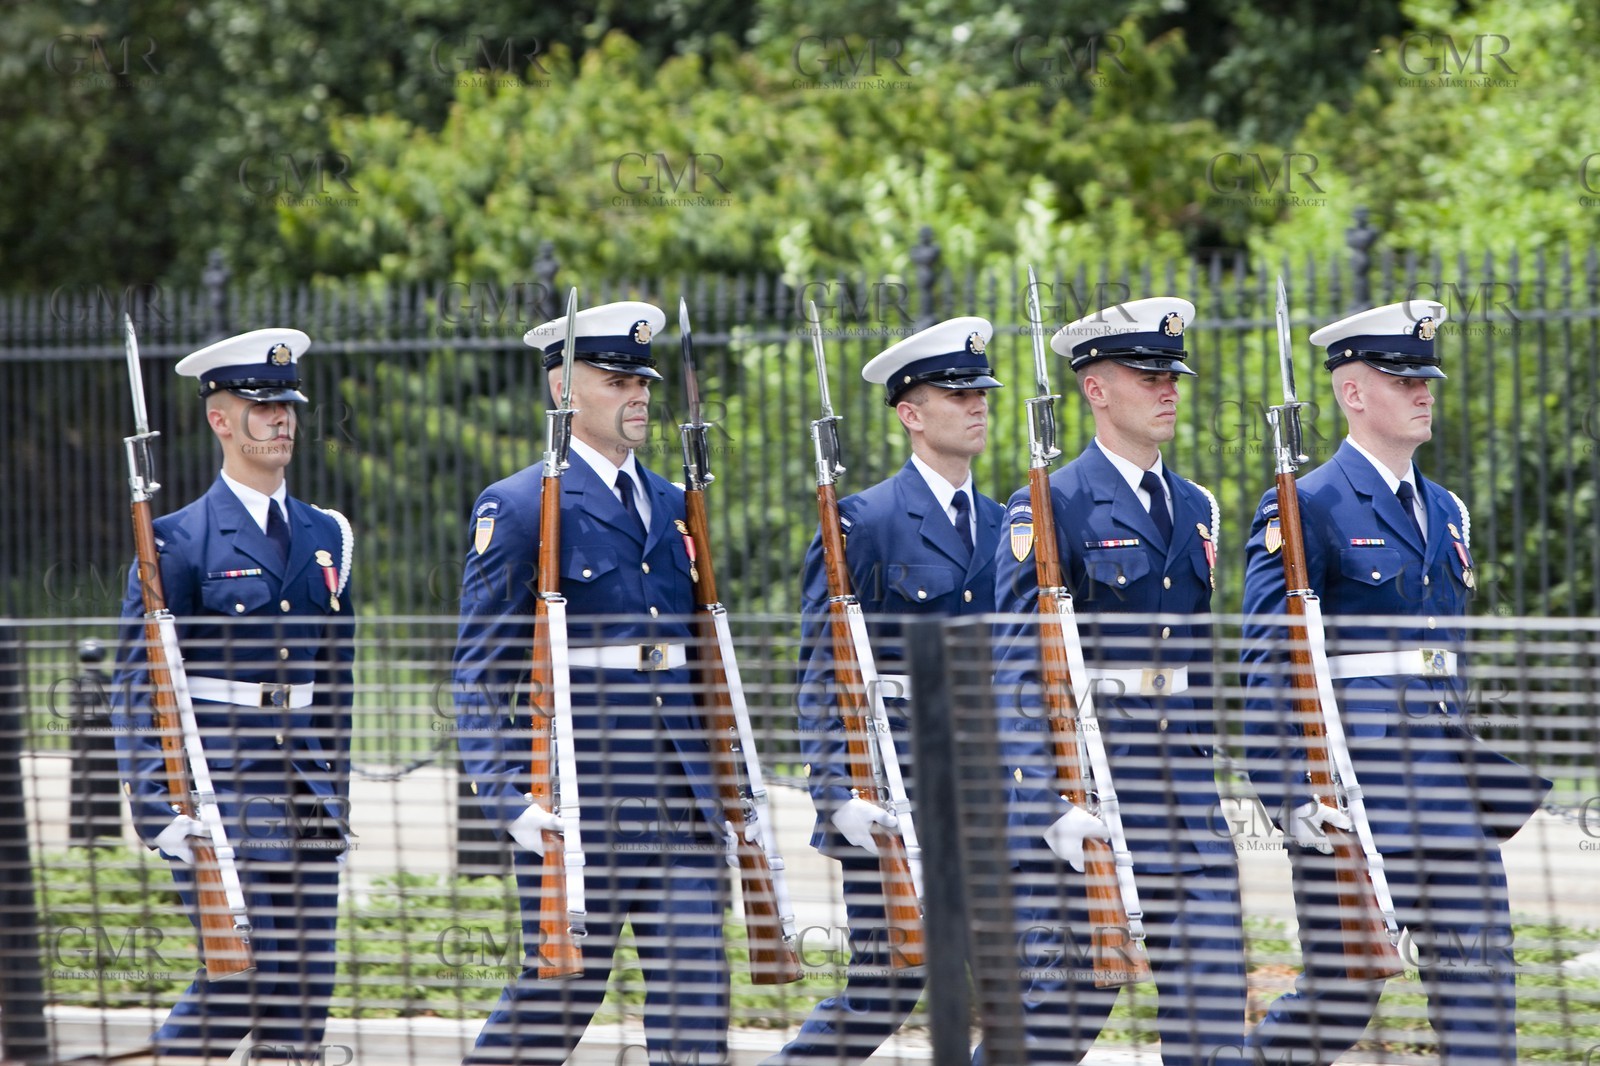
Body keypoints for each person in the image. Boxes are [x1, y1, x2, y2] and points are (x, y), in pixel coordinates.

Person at [1241, 301, 1551, 1065]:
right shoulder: (1304, 505)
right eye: (1402, 378)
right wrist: (1292, 797)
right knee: (1341, 997)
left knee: (1483, 1000)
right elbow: (1266, 664)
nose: (1423, 391)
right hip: (1354, 789)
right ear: (1353, 394)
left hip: (1447, 788)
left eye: (1426, 377)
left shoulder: (1446, 510)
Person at [453, 302, 730, 1065]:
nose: (639, 394)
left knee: (698, 1006)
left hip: (679, 798)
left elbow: (701, 655)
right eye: (617, 380)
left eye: (643, 379)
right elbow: (479, 671)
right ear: (566, 390)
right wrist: (507, 796)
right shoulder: (517, 506)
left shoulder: (677, 506)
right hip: (582, 798)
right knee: (558, 998)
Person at [991, 298, 1245, 1065]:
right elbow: (1015, 666)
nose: (1169, 388)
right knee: (1053, 1030)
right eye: (1147, 376)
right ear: (1095, 390)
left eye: (1172, 374)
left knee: (1214, 1026)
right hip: (1093, 789)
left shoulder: (1197, 505)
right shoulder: (1049, 504)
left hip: (1186, 802)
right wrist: (1047, 800)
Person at [110, 328, 355, 1061]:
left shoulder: (327, 535)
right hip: (221, 786)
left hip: (305, 790)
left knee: (306, 992)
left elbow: (336, 681)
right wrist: (159, 809)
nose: (281, 419)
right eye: (260, 406)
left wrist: (337, 790)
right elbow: (139, 684)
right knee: (242, 976)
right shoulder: (177, 541)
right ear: (220, 419)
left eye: (287, 404)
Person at [766, 317, 1005, 1066]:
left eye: (981, 394)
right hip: (896, 778)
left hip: (994, 781)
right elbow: (824, 663)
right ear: (910, 412)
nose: (976, 406)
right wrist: (835, 789)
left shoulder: (1008, 523)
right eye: (956, 393)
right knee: (889, 986)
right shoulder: (862, 522)